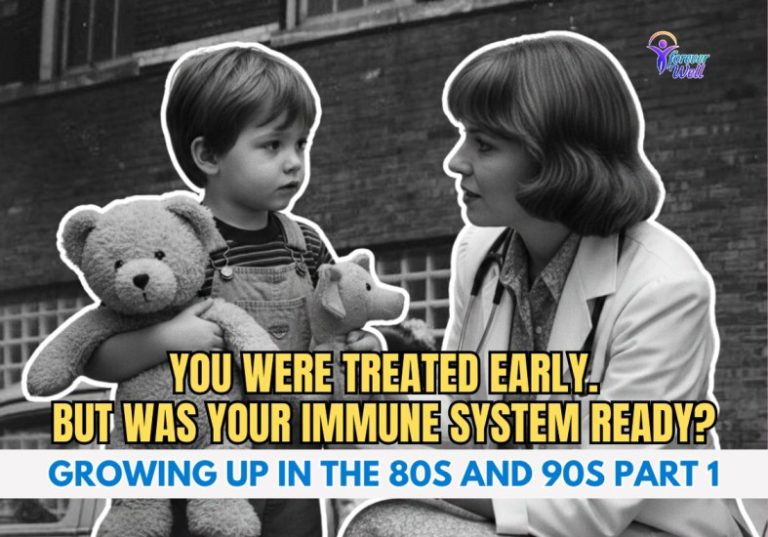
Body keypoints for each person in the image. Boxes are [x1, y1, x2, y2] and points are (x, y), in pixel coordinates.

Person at [343, 31, 754, 537]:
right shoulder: (478, 253)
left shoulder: (666, 288)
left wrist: (408, 466)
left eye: (485, 143)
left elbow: (592, 500)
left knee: (390, 524)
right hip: (526, 515)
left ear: (555, 158)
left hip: (644, 527)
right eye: (463, 135)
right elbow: (458, 422)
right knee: (376, 515)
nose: (455, 161)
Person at [83, 42, 377, 537]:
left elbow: (333, 324)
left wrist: (356, 351)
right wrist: (166, 339)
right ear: (209, 154)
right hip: (196, 478)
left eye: (302, 144)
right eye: (272, 145)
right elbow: (96, 356)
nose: (294, 162)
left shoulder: (305, 242)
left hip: (293, 468)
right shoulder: (173, 245)